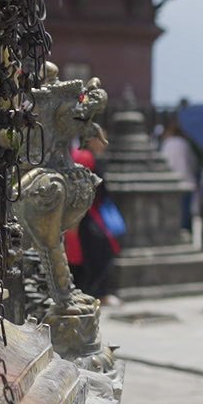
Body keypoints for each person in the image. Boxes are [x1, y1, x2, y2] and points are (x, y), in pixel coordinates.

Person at [65, 129, 123, 307]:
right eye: (101, 139)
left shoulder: (86, 156)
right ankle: (94, 293)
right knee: (92, 255)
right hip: (84, 217)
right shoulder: (83, 158)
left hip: (87, 216)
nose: (105, 143)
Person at [160, 117, 198, 233]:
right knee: (185, 214)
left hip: (172, 184)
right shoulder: (185, 144)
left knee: (173, 213)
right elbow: (193, 163)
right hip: (186, 182)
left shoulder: (167, 144)